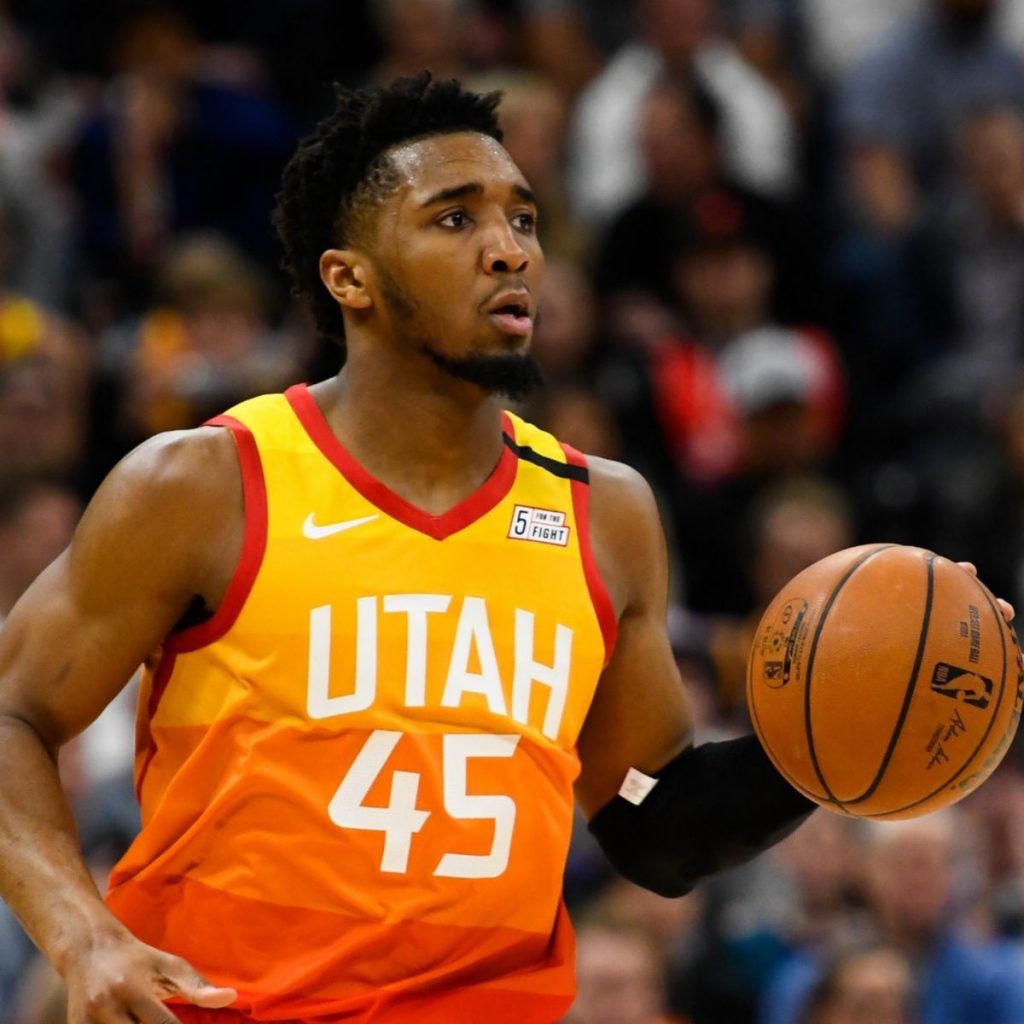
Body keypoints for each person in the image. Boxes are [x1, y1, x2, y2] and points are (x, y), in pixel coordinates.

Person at [0, 72, 1007, 1024]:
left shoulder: (603, 514)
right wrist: (81, 935)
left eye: (523, 218)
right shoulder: (206, 484)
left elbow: (654, 824)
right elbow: (12, 712)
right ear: (349, 278)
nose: (510, 250)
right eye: (455, 219)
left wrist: (836, 731)